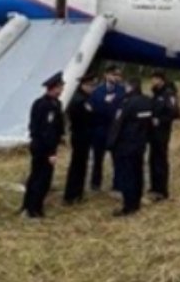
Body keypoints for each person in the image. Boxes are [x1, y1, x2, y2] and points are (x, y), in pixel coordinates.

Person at [107, 78, 155, 216]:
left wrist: (110, 144)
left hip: (126, 144)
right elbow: (150, 123)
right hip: (140, 143)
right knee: (138, 172)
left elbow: (118, 124)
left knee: (127, 175)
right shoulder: (147, 101)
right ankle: (136, 201)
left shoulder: (127, 103)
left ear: (130, 87)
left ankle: (129, 206)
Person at [21, 72, 66, 218]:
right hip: (42, 147)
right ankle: (33, 209)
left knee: (38, 176)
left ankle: (30, 205)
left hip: (45, 145)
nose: (62, 90)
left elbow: (57, 127)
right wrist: (51, 152)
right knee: (41, 178)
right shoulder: (45, 105)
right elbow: (47, 131)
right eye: (60, 87)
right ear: (54, 88)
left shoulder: (56, 104)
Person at [63, 72, 98, 205]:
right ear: (84, 85)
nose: (92, 89)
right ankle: (72, 194)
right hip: (80, 135)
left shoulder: (84, 98)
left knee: (81, 165)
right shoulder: (80, 100)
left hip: (83, 135)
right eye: (91, 86)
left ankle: (77, 193)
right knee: (77, 165)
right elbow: (85, 118)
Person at [89, 65, 125, 193]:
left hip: (114, 129)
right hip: (100, 128)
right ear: (106, 75)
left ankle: (118, 184)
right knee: (98, 159)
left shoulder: (121, 90)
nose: (115, 77)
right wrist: (105, 103)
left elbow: (123, 108)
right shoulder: (97, 91)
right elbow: (93, 108)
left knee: (117, 159)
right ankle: (95, 183)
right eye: (113, 74)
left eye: (117, 75)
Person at [149, 71, 180, 201]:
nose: (152, 81)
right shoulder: (156, 93)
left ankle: (162, 190)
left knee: (161, 159)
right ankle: (154, 187)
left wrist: (160, 120)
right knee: (153, 158)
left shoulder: (168, 94)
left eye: (155, 79)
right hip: (153, 131)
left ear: (161, 80)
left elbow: (175, 113)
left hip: (162, 131)